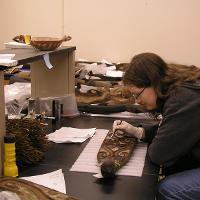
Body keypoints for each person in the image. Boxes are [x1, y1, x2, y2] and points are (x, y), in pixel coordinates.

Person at [113, 52, 200, 199]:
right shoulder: (179, 87)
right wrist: (140, 132)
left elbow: (159, 154)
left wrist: (148, 134)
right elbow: (176, 126)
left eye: (137, 94)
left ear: (153, 83)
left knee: (168, 189)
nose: (137, 101)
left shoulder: (182, 99)